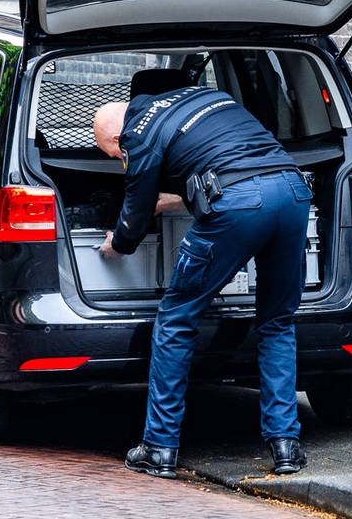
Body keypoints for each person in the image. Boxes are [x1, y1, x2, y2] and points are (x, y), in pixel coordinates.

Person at [91, 82, 313, 479]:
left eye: (116, 155)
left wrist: (119, 243)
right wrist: (175, 199)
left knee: (175, 319)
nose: (121, 160)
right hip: (292, 191)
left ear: (115, 137)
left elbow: (136, 208)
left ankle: (159, 447)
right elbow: (226, 158)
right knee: (278, 322)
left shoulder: (138, 133)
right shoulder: (204, 95)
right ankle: (286, 447)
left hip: (238, 207)